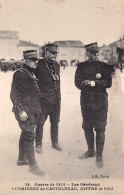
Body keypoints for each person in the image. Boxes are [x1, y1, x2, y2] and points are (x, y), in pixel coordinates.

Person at [75, 43, 112, 168]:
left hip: (100, 102)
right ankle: (91, 151)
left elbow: (108, 83)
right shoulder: (81, 66)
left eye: (97, 53)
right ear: (87, 54)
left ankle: (99, 156)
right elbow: (77, 82)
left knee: (100, 128)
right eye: (93, 53)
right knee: (87, 126)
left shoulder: (104, 66)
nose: (96, 55)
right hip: (86, 101)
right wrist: (82, 83)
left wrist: (92, 83)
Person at [10, 50, 44, 176]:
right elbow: (14, 94)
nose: (36, 62)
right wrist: (21, 111)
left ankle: (21, 159)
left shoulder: (30, 72)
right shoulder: (20, 74)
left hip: (33, 109)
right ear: (26, 60)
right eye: (33, 60)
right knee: (30, 135)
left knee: (26, 133)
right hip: (25, 110)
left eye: (37, 60)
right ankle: (33, 166)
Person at [34, 44, 62, 153]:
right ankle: (38, 144)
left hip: (56, 99)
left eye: (56, 53)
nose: (55, 55)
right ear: (46, 53)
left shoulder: (57, 65)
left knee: (55, 122)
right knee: (40, 122)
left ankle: (54, 142)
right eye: (52, 53)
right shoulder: (39, 64)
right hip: (44, 100)